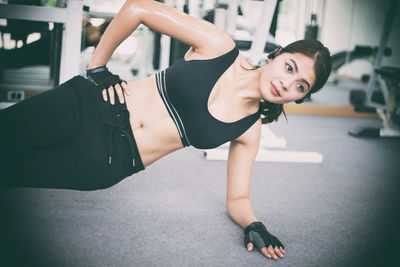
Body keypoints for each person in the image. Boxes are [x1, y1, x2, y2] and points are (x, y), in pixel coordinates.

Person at [0, 0, 331, 261]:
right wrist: (98, 67)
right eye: (290, 67)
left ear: (300, 97)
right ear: (276, 55)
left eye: (300, 86)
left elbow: (238, 197)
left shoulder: (250, 128)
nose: (286, 83)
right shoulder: (220, 46)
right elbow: (138, 8)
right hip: (88, 105)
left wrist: (255, 226)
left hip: (107, 162)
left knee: (9, 172)